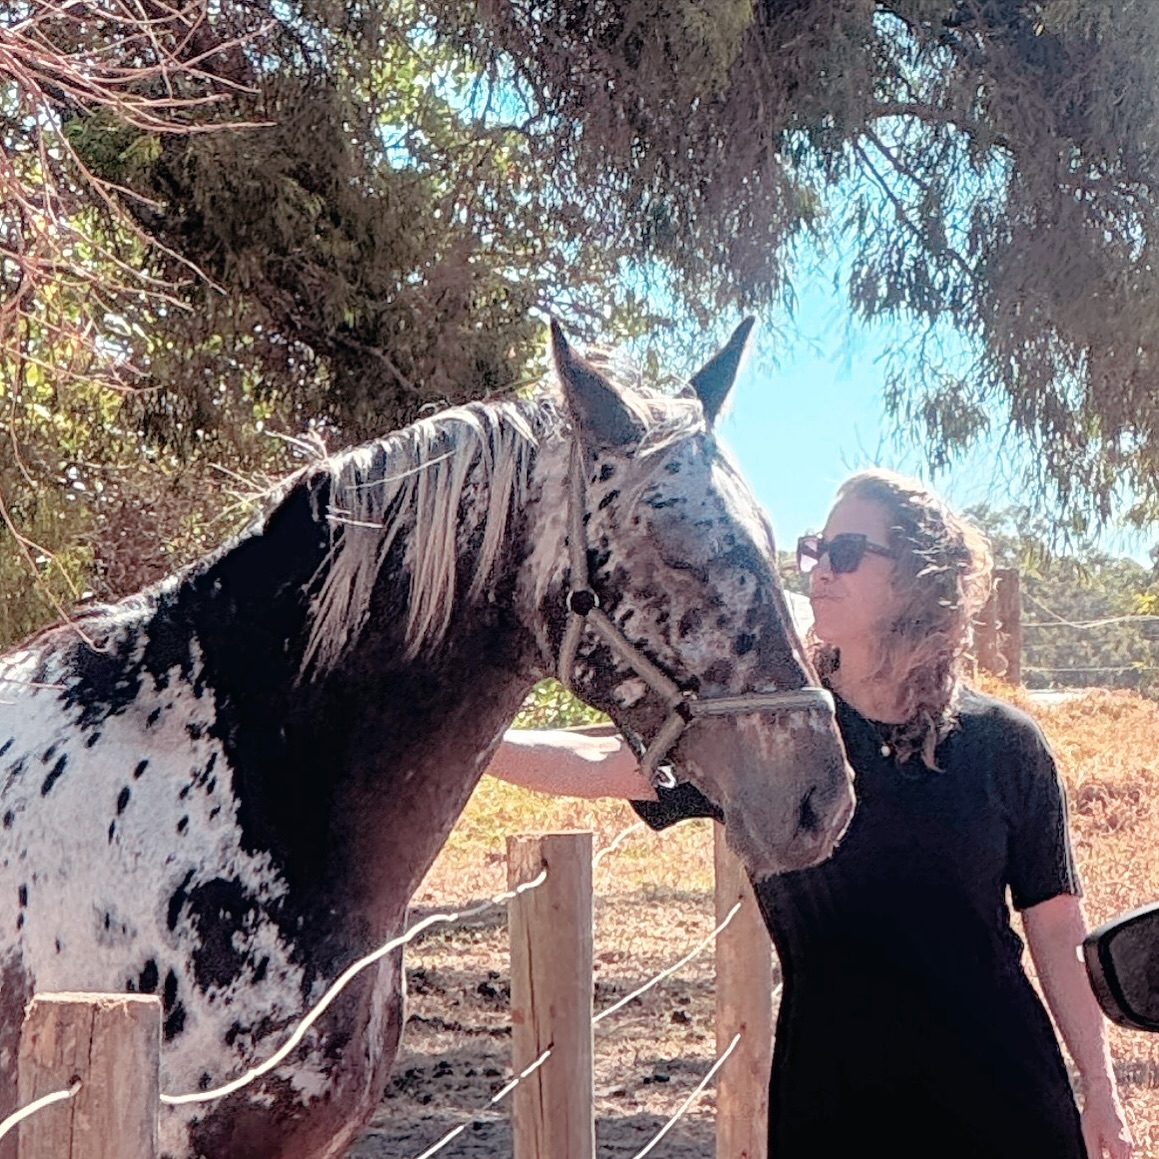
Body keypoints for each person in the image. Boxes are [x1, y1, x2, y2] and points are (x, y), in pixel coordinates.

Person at [488, 468, 1132, 1159]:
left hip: (1002, 1103)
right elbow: (596, 762)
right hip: (831, 1107)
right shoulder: (761, 736)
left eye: (845, 552)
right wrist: (460, 743)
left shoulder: (1004, 743)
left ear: (916, 577)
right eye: (814, 550)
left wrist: (1100, 1086)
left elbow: (1055, 926)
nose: (819, 570)